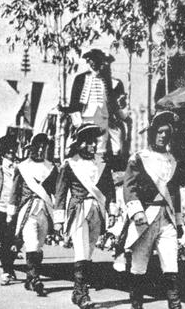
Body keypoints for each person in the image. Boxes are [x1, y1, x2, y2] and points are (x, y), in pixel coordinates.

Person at [114, 111, 184, 309]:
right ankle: (137, 305)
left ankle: (175, 305)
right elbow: (129, 187)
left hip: (167, 218)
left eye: (167, 133)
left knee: (171, 264)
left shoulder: (172, 161)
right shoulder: (139, 158)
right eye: (159, 132)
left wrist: (178, 221)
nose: (163, 136)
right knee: (139, 265)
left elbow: (175, 194)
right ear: (152, 133)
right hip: (145, 217)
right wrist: (136, 212)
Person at [54, 124, 118, 309]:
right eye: (89, 142)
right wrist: (58, 219)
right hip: (78, 211)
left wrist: (112, 211)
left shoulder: (101, 164)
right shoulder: (70, 164)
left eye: (95, 142)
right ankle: (83, 295)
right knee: (81, 252)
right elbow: (60, 193)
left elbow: (110, 190)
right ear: (80, 143)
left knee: (89, 253)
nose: (93, 146)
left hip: (97, 210)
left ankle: (77, 292)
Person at [7, 133, 58, 296]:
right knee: (32, 242)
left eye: (44, 146)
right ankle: (36, 279)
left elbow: (57, 191)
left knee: (39, 244)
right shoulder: (22, 167)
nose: (41, 149)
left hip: (45, 209)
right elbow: (15, 191)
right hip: (27, 210)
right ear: (32, 147)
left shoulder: (51, 167)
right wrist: (11, 211)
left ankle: (30, 278)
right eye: (38, 145)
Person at [62, 49, 128, 167]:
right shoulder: (80, 79)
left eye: (97, 60)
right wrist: (77, 119)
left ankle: (99, 168)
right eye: (91, 60)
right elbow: (74, 101)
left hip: (102, 116)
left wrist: (117, 115)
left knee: (101, 144)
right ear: (88, 62)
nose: (94, 63)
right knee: (84, 142)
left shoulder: (107, 80)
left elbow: (111, 101)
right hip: (85, 117)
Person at [0, 135, 19, 285]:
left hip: (16, 209)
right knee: (4, 241)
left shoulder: (20, 168)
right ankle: (6, 270)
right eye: (9, 150)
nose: (12, 152)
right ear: (3, 153)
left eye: (13, 150)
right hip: (0, 208)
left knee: (15, 241)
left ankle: (9, 266)